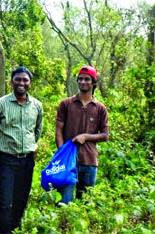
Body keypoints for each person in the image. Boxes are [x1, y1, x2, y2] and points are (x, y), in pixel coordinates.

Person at [0, 66, 43, 233]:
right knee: (4, 202)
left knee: (21, 200)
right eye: (18, 79)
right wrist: (2, 147)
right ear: (11, 82)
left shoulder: (37, 106)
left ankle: (15, 229)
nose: (21, 83)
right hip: (6, 160)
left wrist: (27, 147)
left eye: (25, 80)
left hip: (27, 160)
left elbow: (37, 131)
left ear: (30, 83)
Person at [55, 65, 109, 204]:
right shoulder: (66, 104)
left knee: (85, 203)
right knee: (64, 202)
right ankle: (64, 226)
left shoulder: (100, 108)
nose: (83, 82)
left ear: (94, 83)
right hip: (68, 160)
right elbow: (59, 130)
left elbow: (105, 135)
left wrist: (86, 136)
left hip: (89, 160)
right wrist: (62, 154)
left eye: (87, 79)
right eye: (80, 79)